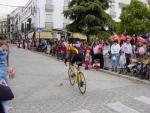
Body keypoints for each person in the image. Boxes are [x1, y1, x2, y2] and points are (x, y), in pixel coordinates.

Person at [0, 42, 14, 113]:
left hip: (3, 93)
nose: (5, 52)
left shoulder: (5, 64)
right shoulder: (2, 64)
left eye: (6, 50)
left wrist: (11, 74)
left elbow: (8, 78)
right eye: (3, 50)